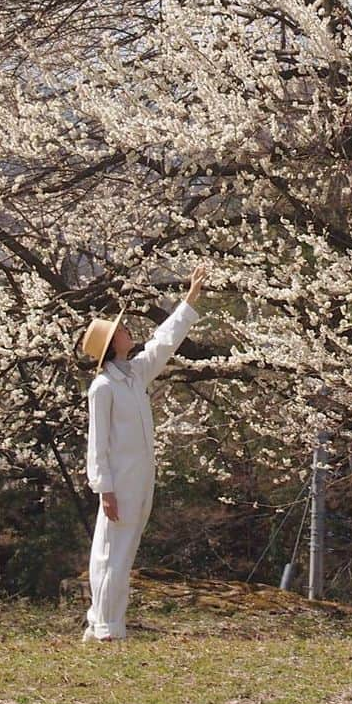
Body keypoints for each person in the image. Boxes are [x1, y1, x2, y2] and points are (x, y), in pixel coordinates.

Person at [79, 263, 206, 641]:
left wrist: (188, 302)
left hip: (138, 479)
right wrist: (104, 488)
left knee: (123, 550)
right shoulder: (103, 388)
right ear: (110, 345)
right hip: (118, 481)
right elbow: (96, 443)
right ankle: (105, 626)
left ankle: (104, 621)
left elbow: (163, 344)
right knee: (109, 552)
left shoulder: (133, 377)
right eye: (119, 330)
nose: (127, 330)